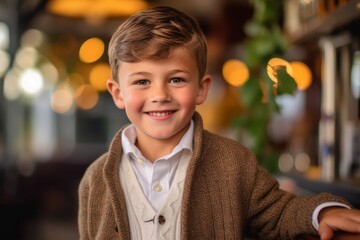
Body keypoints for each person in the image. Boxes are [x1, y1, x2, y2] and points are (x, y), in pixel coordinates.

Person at [78, 6, 360, 240]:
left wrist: (321, 212)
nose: (160, 95)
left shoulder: (233, 162)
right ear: (118, 93)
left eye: (176, 79)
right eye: (142, 81)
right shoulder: (95, 179)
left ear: (202, 89)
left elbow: (280, 213)